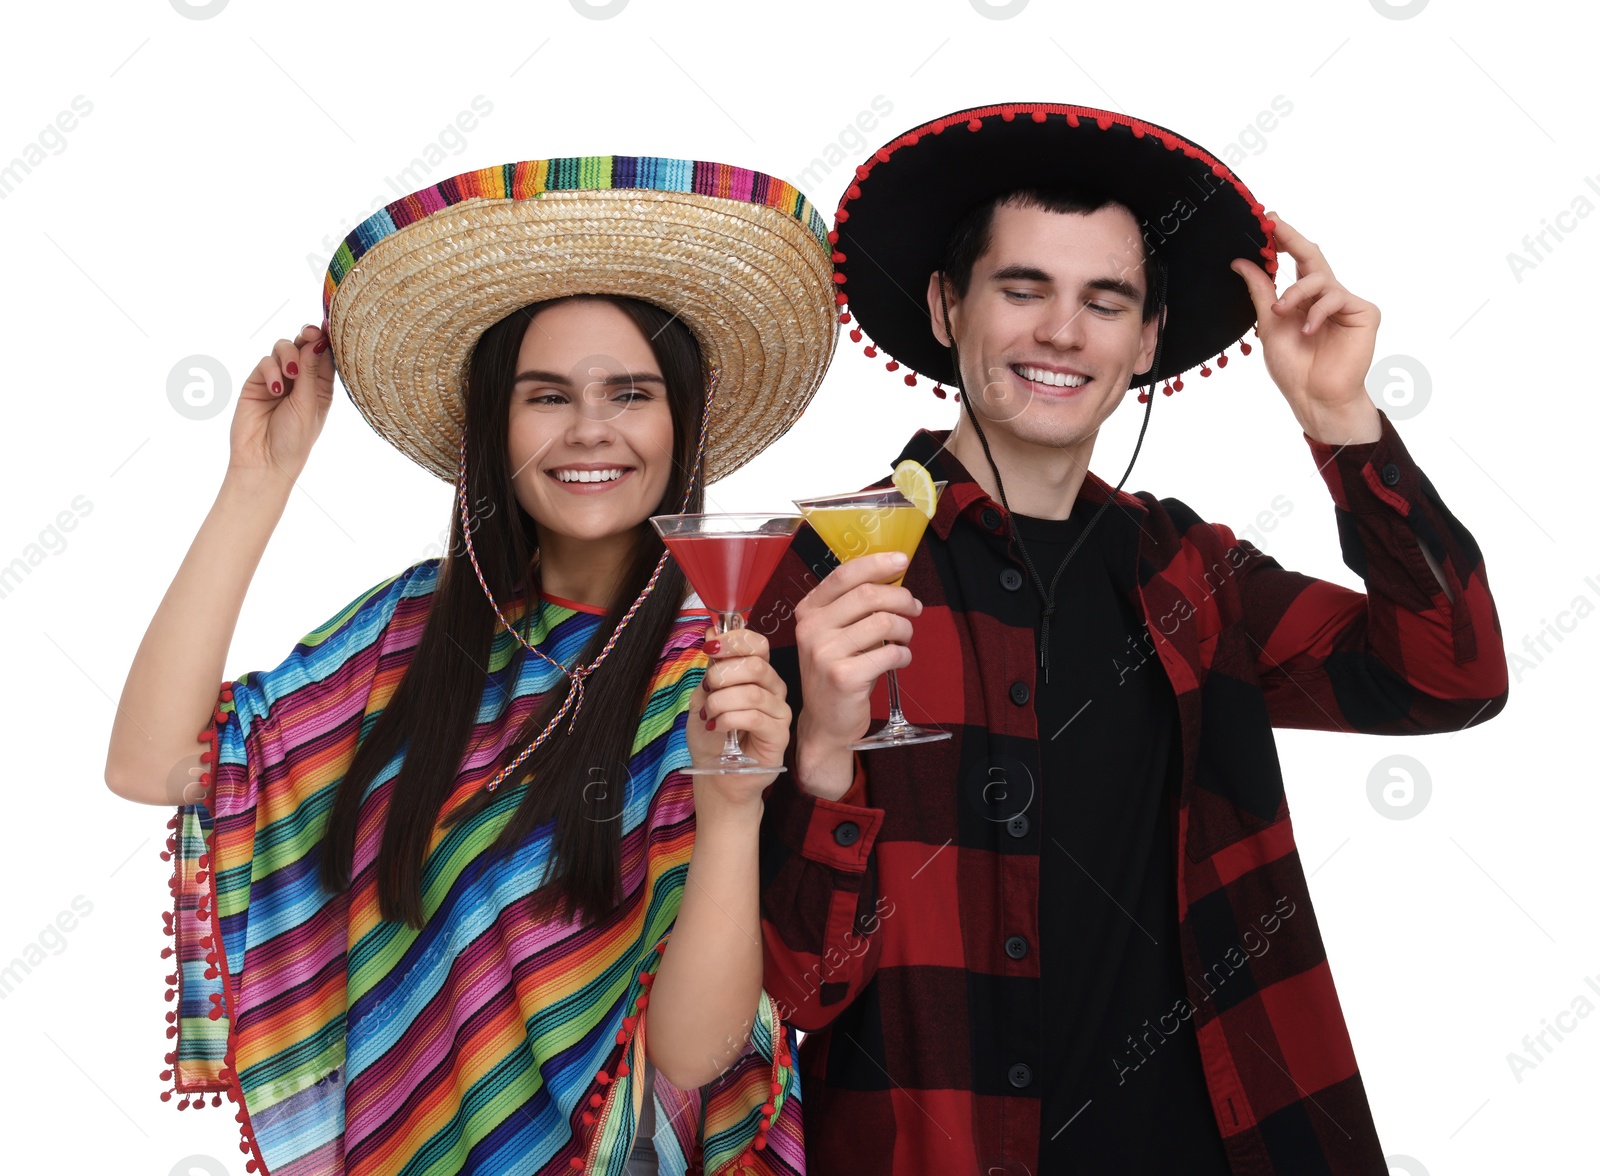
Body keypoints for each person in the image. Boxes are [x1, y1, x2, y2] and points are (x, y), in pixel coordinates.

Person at [751, 103, 1510, 1174]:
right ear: (943, 305)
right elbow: (782, 985)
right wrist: (824, 769)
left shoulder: (1193, 575)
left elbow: (1451, 677)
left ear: (1146, 340)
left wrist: (1343, 424)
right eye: (1022, 289)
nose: (1062, 333)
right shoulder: (815, 577)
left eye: (1103, 302)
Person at [104, 155, 839, 1176]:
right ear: (495, 427)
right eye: (547, 396)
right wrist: (257, 481)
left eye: (630, 392)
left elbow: (696, 1058)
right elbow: (153, 764)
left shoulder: (732, 660)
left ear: (684, 419)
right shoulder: (414, 632)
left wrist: (731, 807)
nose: (590, 429)